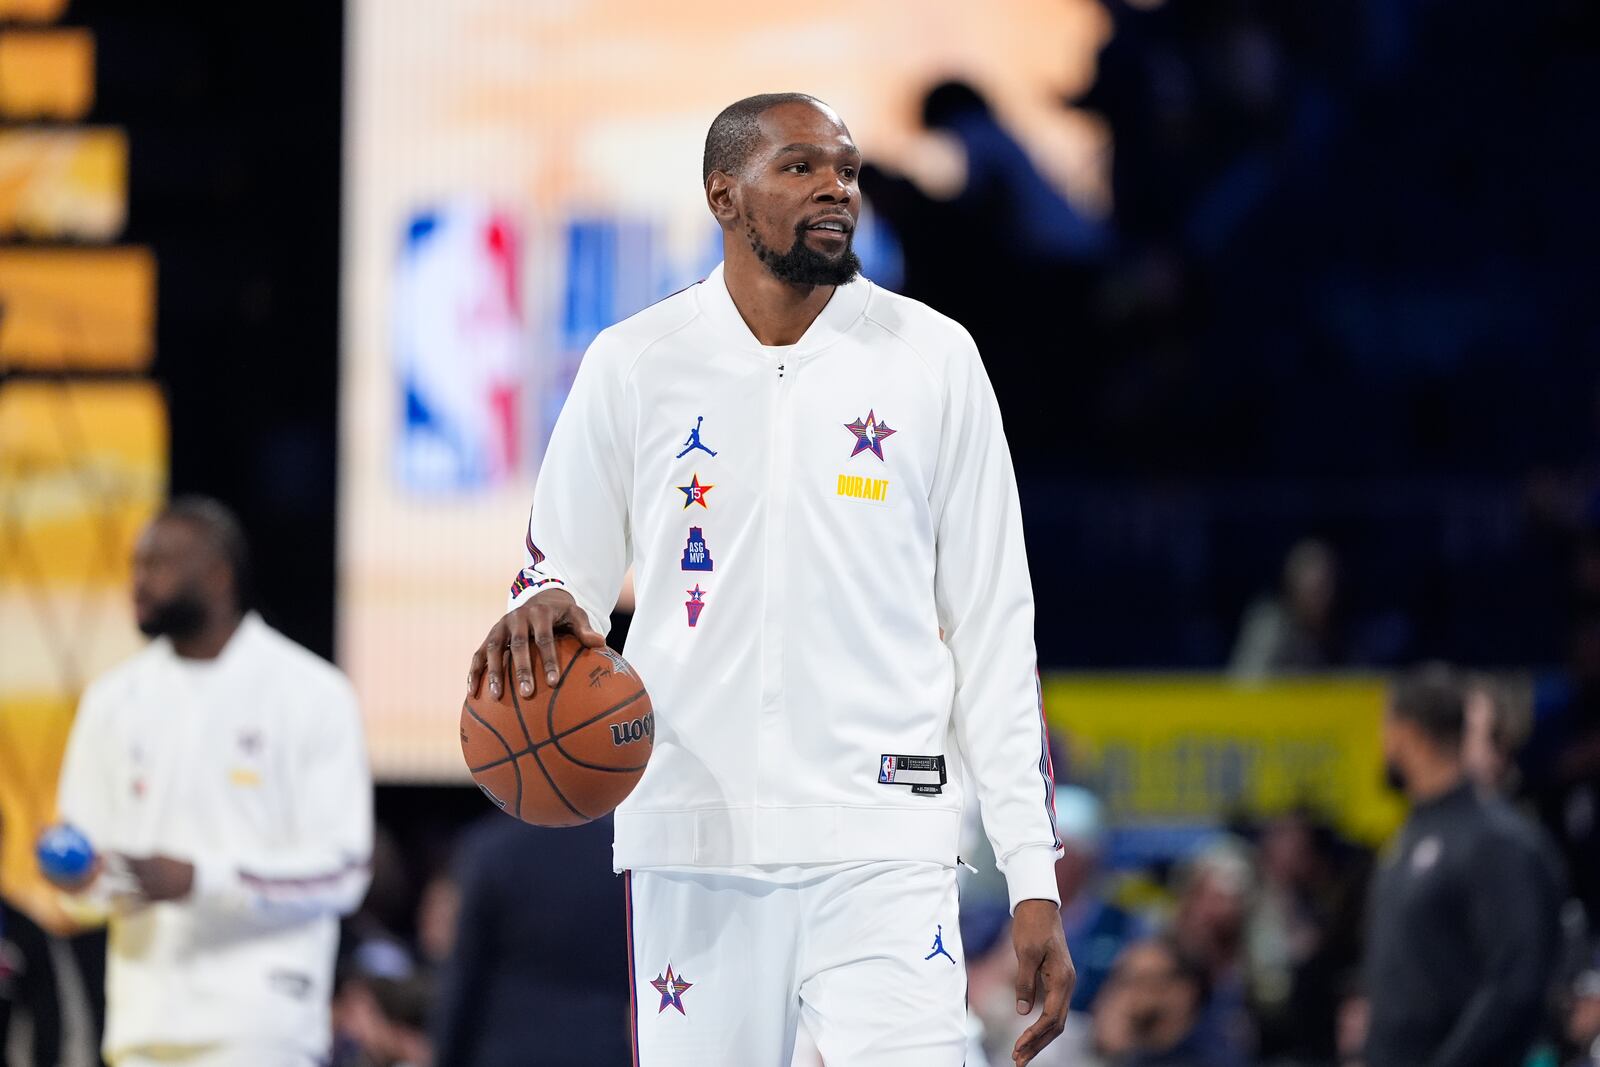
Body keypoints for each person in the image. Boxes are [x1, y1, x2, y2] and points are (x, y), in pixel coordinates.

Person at [468, 92, 1073, 1066]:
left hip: (889, 836)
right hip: (691, 837)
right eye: (799, 167)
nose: (835, 187)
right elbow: (559, 573)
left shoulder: (934, 359)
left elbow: (995, 629)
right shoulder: (633, 363)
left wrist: (1031, 875)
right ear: (723, 196)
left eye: (846, 169)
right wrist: (538, 603)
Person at [47, 497, 374, 1067]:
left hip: (262, 1028)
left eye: (159, 564)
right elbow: (90, 879)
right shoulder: (112, 700)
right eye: (135, 565)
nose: (139, 582)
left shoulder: (311, 693)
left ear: (219, 574)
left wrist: (202, 879)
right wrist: (78, 881)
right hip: (142, 1030)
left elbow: (343, 870)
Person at [1363, 663, 1565, 1067]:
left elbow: (1516, 984)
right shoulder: (1409, 836)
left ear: (1407, 732)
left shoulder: (1497, 841)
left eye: (1387, 724)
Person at [429, 814, 629, 1067]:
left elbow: (465, 973)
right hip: (599, 1049)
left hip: (507, 1050)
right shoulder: (619, 850)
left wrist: (446, 1055)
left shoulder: (491, 849)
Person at [1089, 937, 1228, 1067]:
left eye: (1140, 980)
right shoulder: (1133, 1051)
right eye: (1120, 979)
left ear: (1181, 993)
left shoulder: (1212, 1057)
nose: (1122, 993)